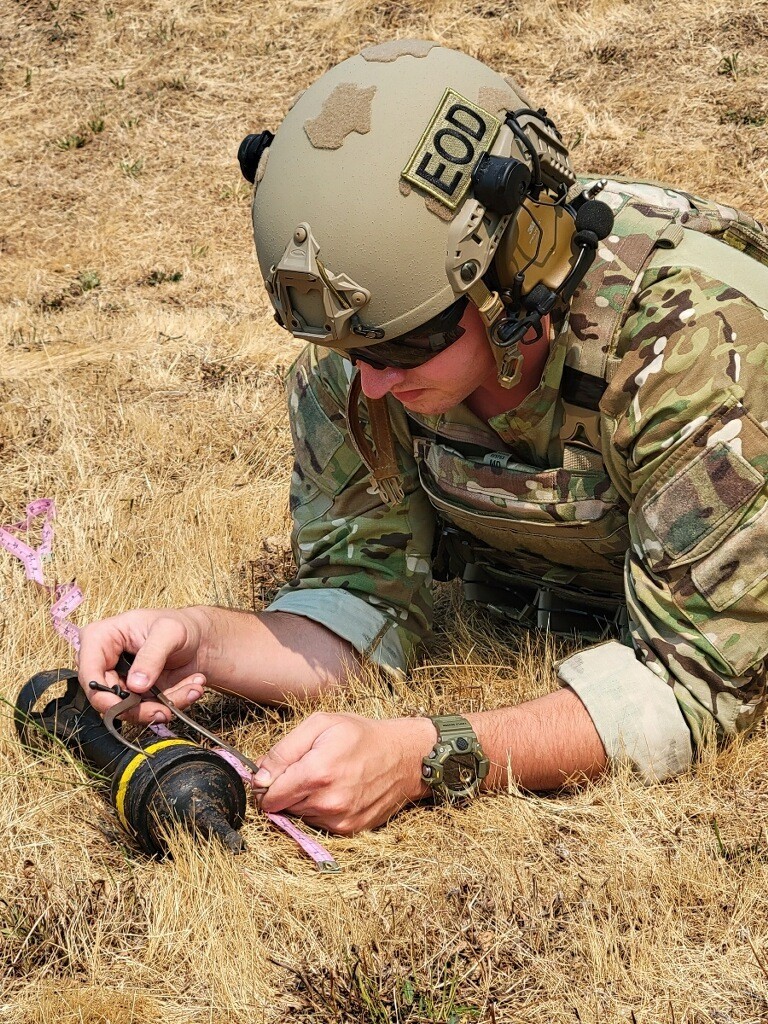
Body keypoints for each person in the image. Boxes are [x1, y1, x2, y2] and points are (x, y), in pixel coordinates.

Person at [79, 40, 768, 836]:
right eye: (350, 353)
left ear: (520, 271)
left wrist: (422, 757)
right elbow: (368, 596)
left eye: (404, 348)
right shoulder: (368, 349)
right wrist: (201, 641)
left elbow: (694, 686)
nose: (371, 383)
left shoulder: (695, 350)